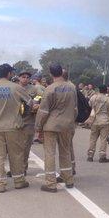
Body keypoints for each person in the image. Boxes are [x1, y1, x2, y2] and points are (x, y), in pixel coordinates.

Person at [0, 63, 33, 193]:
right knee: (16, 154)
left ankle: (0, 184)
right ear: (9, 74)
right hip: (13, 126)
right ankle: (19, 181)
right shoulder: (16, 87)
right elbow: (30, 103)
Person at [36, 63, 77, 191]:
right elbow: (75, 108)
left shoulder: (50, 88)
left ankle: (50, 183)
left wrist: (38, 127)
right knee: (65, 152)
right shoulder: (72, 87)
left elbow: (43, 111)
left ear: (51, 74)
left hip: (51, 126)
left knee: (50, 154)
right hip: (67, 125)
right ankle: (68, 179)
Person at [18, 70, 41, 174]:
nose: (25, 79)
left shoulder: (34, 89)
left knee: (26, 147)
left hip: (29, 120)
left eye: (27, 77)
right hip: (16, 120)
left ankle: (23, 168)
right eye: (23, 77)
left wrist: (37, 105)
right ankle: (15, 168)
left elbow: (41, 97)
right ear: (19, 78)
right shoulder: (14, 88)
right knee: (15, 147)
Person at [87, 85, 109, 162]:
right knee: (103, 139)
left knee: (93, 139)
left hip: (94, 121)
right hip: (105, 122)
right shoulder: (108, 100)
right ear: (106, 91)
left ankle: (90, 156)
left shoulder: (93, 97)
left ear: (99, 90)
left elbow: (89, 105)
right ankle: (102, 156)